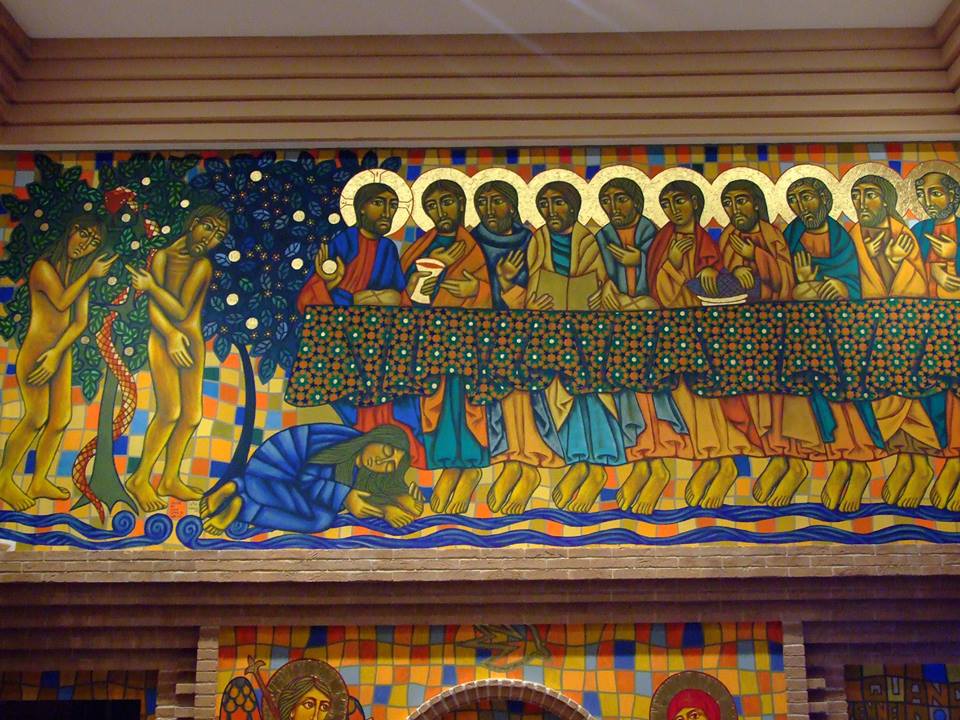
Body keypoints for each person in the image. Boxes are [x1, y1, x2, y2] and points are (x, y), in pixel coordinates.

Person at [501, 180, 624, 512]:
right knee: (559, 401)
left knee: (590, 401)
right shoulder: (537, 241)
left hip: (587, 338)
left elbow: (604, 283)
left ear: (573, 206)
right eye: (544, 204)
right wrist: (513, 289)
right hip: (550, 337)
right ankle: (577, 462)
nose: (551, 210)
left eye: (558, 203)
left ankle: (596, 468)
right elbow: (529, 292)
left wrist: (604, 293)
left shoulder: (588, 241)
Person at [295, 182, 425, 469]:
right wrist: (336, 287)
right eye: (379, 203)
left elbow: (399, 298)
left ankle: (385, 459)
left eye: (393, 206)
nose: (387, 212)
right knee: (357, 406)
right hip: (343, 342)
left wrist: (404, 292)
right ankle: (360, 456)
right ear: (360, 208)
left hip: (381, 342)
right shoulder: (342, 243)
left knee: (393, 395)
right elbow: (310, 299)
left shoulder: (388, 248)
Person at [647, 180, 758, 508]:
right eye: (666, 204)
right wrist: (673, 262)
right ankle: (707, 457)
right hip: (674, 334)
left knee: (712, 398)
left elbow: (727, 276)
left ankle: (722, 461)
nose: (673, 209)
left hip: (709, 334)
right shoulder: (662, 242)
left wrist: (718, 269)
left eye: (679, 201)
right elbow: (660, 291)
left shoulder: (710, 240)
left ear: (696, 203)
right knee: (686, 399)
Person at [0, 215, 115, 510]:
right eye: (83, 234)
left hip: (59, 355)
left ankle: (38, 480)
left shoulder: (77, 276)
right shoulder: (43, 268)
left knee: (60, 419)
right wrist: (88, 276)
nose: (85, 245)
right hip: (37, 353)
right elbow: (62, 301)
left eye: (94, 242)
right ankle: (3, 480)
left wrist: (57, 353)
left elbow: (79, 322)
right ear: (71, 230)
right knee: (36, 417)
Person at [718, 179, 821, 506]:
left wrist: (756, 256)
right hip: (740, 333)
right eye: (728, 203)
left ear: (757, 204)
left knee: (779, 400)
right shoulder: (727, 237)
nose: (735, 209)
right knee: (750, 401)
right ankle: (773, 454)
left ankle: (792, 462)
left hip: (776, 331)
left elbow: (786, 279)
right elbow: (721, 276)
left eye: (741, 201)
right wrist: (734, 271)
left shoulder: (772, 235)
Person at [783, 177, 884, 510]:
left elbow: (858, 280)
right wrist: (803, 285)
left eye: (807, 197)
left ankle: (859, 463)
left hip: (843, 334)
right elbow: (784, 282)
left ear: (825, 199)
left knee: (847, 394)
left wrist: (841, 287)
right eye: (794, 200)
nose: (802, 206)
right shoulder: (791, 236)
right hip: (805, 337)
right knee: (816, 396)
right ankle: (838, 460)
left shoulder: (842, 238)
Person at [592, 177, 690, 514]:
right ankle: (641, 462)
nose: (614, 207)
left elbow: (670, 280)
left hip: (651, 331)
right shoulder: (602, 237)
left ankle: (659, 466)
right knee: (625, 396)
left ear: (637, 201)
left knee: (652, 395)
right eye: (607, 201)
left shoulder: (655, 235)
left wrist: (643, 263)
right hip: (617, 330)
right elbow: (595, 274)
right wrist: (605, 287)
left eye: (621, 199)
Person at [125, 205, 229, 511]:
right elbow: (155, 308)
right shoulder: (162, 257)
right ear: (193, 223)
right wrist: (170, 335)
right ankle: (140, 478)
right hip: (162, 338)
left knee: (192, 415)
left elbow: (182, 310)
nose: (210, 238)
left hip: (192, 342)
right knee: (169, 412)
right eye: (208, 227)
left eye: (218, 235)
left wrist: (151, 287)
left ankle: (169, 479)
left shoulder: (202, 266)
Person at [400, 179, 492, 514]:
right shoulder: (420, 248)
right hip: (431, 340)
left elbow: (491, 294)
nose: (441, 211)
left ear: (461, 204)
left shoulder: (474, 246)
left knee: (465, 403)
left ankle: (471, 467)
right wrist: (428, 269)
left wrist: (475, 289)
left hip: (469, 340)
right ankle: (448, 467)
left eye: (447, 202)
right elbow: (409, 299)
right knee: (435, 402)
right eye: (432, 205)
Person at [848, 175, 939, 509]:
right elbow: (850, 283)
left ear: (887, 200)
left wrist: (891, 260)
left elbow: (916, 287)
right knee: (880, 400)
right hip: (865, 337)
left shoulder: (903, 235)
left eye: (870, 195)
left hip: (902, 334)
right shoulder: (853, 236)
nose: (862, 203)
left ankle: (921, 465)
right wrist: (870, 258)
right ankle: (905, 460)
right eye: (856, 195)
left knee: (907, 398)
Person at [201, 423, 422, 534]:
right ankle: (242, 504)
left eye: (390, 466)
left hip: (279, 483)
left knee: (321, 515)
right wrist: (345, 497)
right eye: (386, 451)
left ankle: (236, 489)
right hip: (268, 472)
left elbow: (363, 495)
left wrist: (398, 502)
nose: (382, 462)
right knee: (320, 520)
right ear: (376, 438)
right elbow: (307, 482)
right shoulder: (342, 448)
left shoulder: (361, 466)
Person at [912, 171, 960, 510]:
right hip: (924, 328)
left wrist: (954, 258)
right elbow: (906, 274)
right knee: (931, 396)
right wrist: (931, 271)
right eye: (923, 195)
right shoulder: (918, 232)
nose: (929, 201)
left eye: (936, 193)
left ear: (953, 196)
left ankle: (955, 464)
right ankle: (930, 460)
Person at [471, 180, 532, 310]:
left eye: (497, 201)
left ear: (512, 207)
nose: (489, 210)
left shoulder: (530, 241)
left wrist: (506, 283)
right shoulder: (471, 242)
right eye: (482, 203)